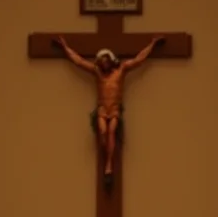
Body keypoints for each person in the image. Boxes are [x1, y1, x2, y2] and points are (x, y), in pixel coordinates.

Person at [55, 36, 165, 190]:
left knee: (111, 131)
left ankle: (109, 166)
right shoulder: (98, 74)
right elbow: (78, 61)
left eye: (105, 60)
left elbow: (139, 60)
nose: (102, 63)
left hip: (113, 109)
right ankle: (105, 152)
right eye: (100, 61)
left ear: (111, 60)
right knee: (102, 132)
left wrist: (152, 44)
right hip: (101, 109)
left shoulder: (121, 71)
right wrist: (65, 47)